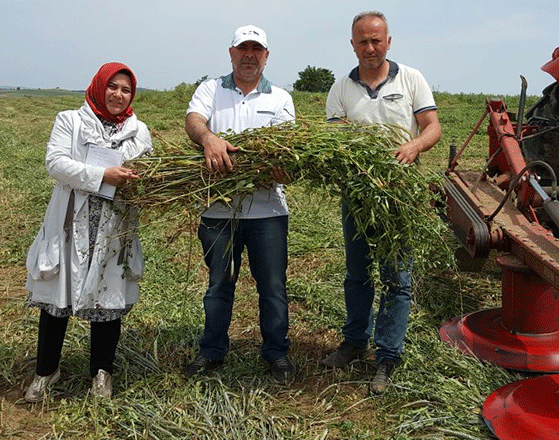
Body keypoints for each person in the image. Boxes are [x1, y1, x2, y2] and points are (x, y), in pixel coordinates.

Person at [323, 11, 442, 394]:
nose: (370, 48)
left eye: (377, 40)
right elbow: (336, 140)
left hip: (398, 195)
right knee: (357, 274)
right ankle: (355, 341)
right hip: (357, 197)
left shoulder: (411, 79)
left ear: (388, 41)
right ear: (353, 44)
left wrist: (414, 145)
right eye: (363, 41)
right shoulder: (341, 87)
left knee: (397, 278)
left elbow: (432, 127)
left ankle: (387, 355)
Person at [23, 62, 152, 402]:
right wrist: (102, 176)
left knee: (108, 300)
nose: (118, 95)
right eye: (113, 87)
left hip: (113, 225)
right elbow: (55, 162)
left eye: (126, 90)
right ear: (99, 86)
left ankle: (101, 374)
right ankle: (46, 372)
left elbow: (147, 174)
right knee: (55, 302)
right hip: (70, 221)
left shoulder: (139, 132)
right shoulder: (71, 120)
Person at [183, 25, 296, 383]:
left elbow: (288, 150)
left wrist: (282, 167)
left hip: (268, 212)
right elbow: (194, 120)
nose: (249, 55)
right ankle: (211, 351)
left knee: (273, 287)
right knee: (219, 285)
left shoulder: (280, 98)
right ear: (231, 53)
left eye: (256, 49)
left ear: (266, 56)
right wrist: (209, 139)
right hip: (218, 211)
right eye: (242, 48)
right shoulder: (210, 89)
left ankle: (276, 353)